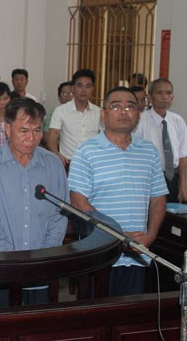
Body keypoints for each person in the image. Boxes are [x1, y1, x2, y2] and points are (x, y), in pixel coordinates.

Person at [68, 87, 168, 296]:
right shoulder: (87, 151)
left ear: (138, 114)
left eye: (130, 106)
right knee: (94, 318)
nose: (124, 111)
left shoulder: (149, 151)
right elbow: (78, 202)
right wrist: (116, 235)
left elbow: (158, 198)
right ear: (103, 115)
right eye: (115, 106)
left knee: (127, 320)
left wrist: (150, 236)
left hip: (137, 253)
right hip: (99, 254)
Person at [0, 98, 68, 306]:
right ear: (7, 129)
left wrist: (45, 254)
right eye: (24, 131)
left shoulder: (53, 164)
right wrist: (9, 259)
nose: (31, 138)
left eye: (37, 131)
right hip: (3, 267)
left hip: (42, 264)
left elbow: (60, 214)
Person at [134, 78, 187, 203]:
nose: (165, 97)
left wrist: (182, 185)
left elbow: (182, 155)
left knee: (172, 216)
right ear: (150, 97)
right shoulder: (141, 121)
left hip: (172, 177)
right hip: (149, 178)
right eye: (160, 93)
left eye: (169, 93)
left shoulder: (177, 120)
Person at [47, 69, 101, 169]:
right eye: (80, 86)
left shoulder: (99, 112)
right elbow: (52, 138)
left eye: (88, 86)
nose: (83, 90)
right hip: (69, 164)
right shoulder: (60, 111)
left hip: (94, 163)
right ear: (73, 88)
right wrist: (56, 154)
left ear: (93, 89)